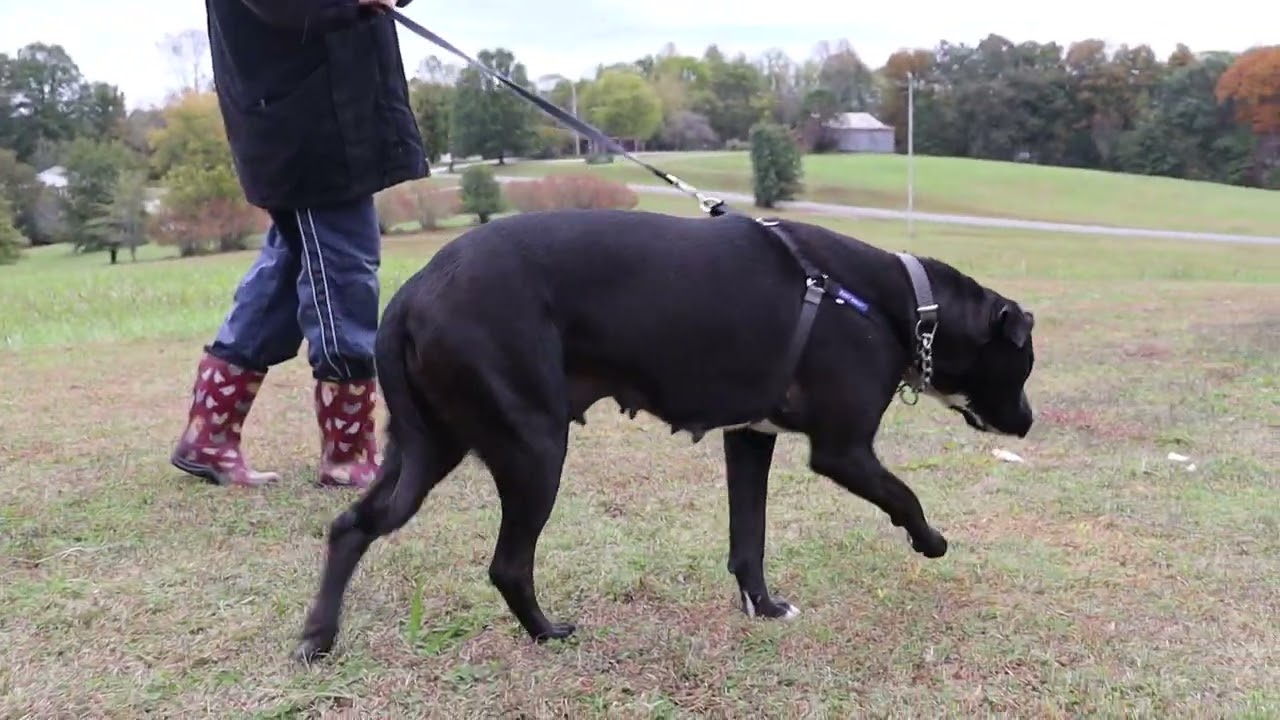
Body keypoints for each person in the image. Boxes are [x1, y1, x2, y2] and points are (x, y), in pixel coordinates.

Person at [170, 0, 428, 489]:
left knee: (287, 273)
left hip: (330, 114)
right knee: (343, 275)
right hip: (305, 120)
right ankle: (347, 454)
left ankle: (210, 433)